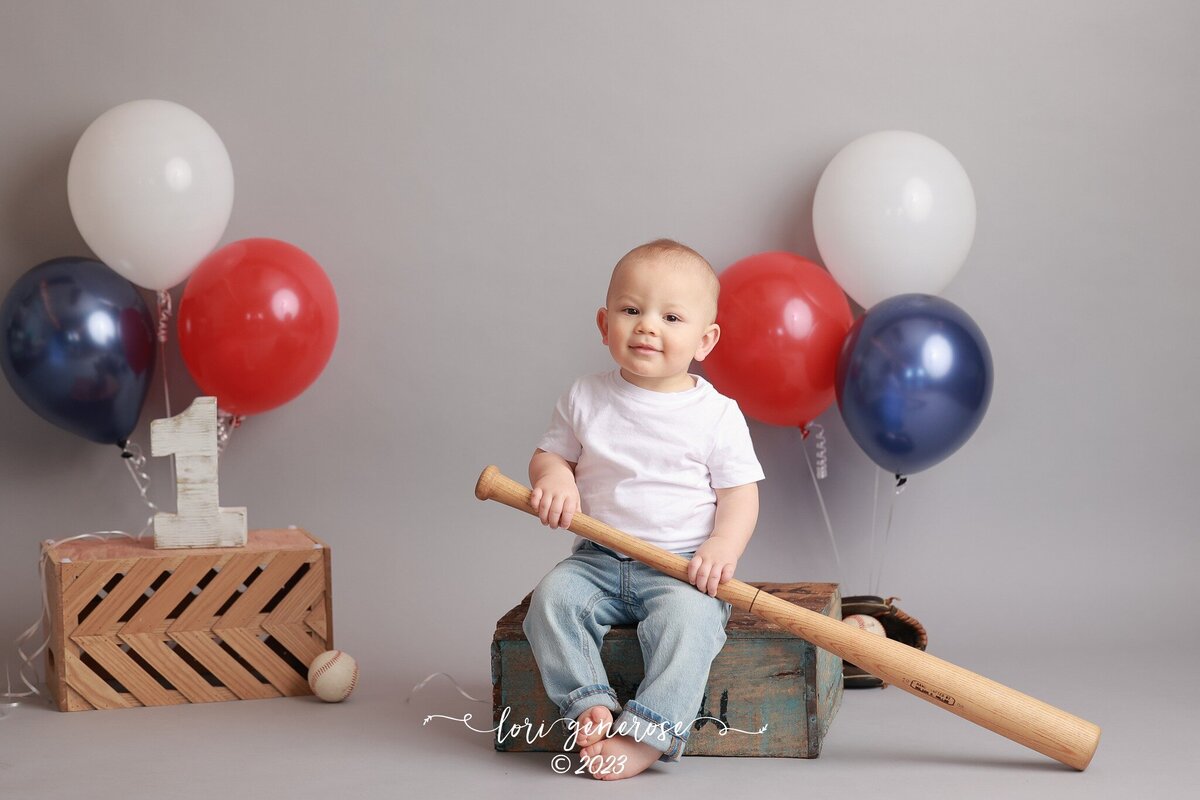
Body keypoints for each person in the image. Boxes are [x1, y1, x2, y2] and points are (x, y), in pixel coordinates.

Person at [523, 239, 764, 780]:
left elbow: (739, 494)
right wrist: (555, 478)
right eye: (631, 310)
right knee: (552, 602)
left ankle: (647, 735)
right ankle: (588, 701)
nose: (647, 326)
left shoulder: (717, 415)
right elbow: (549, 455)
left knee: (693, 626)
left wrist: (722, 546)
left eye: (671, 316)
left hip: (680, 569)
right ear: (604, 322)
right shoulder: (585, 397)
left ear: (705, 340)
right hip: (597, 560)